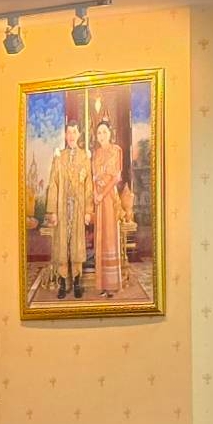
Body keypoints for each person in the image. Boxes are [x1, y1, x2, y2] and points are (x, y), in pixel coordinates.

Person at [42, 118, 90, 300]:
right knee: (62, 245)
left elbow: (89, 186)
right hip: (62, 208)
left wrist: (88, 211)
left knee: (77, 245)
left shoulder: (84, 157)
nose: (71, 136)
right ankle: (62, 283)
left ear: (79, 134)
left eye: (74, 132)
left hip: (78, 208)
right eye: (68, 132)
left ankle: (77, 282)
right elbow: (53, 184)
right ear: (65, 134)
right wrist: (53, 211)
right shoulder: (59, 157)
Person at [90, 118, 125, 298]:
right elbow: (94, 177)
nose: (101, 135)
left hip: (110, 199)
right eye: (99, 133)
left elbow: (116, 177)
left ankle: (112, 285)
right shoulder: (95, 153)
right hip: (99, 200)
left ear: (110, 133)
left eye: (104, 132)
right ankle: (102, 284)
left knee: (110, 238)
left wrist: (102, 194)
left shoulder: (116, 150)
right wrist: (95, 193)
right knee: (101, 239)